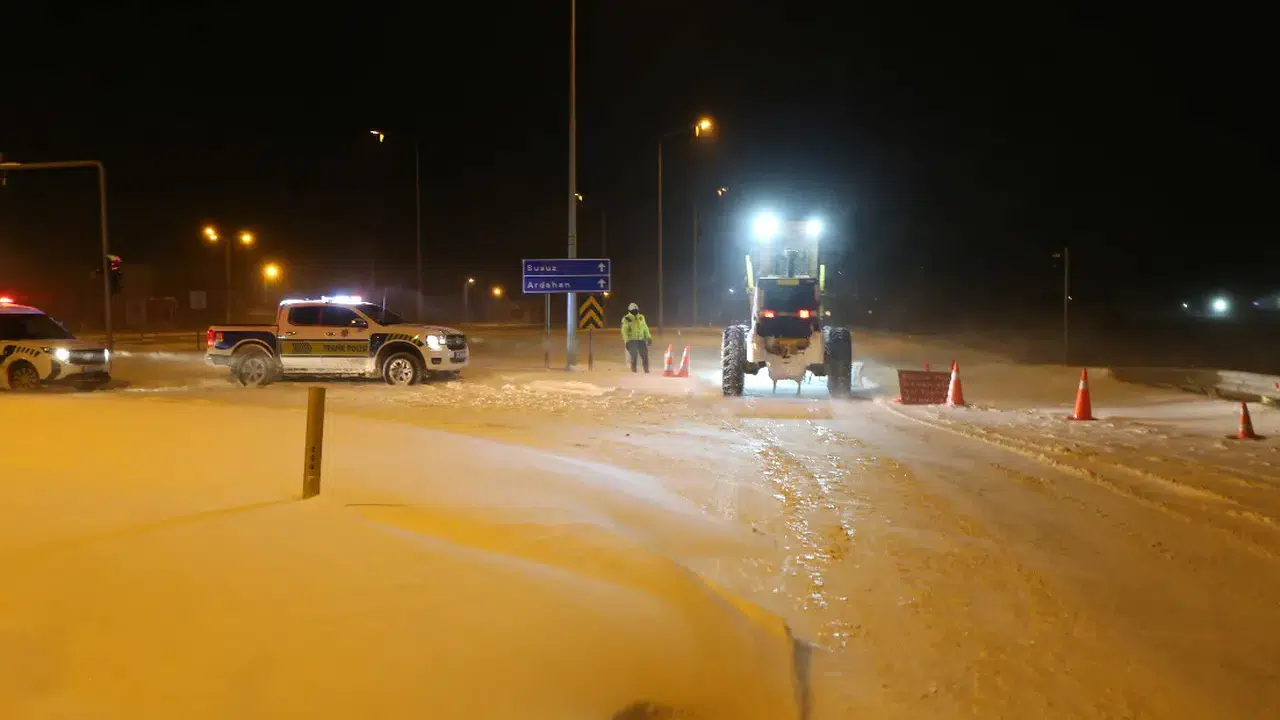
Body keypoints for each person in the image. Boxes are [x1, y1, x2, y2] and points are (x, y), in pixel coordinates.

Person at [620, 302, 652, 373]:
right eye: (633, 311)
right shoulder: (626, 319)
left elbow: (645, 328)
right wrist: (627, 341)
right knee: (633, 356)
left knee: (644, 355)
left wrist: (648, 337)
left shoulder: (641, 317)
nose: (635, 312)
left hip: (641, 340)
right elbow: (624, 331)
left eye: (636, 310)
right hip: (632, 340)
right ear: (630, 311)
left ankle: (646, 370)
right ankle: (633, 370)